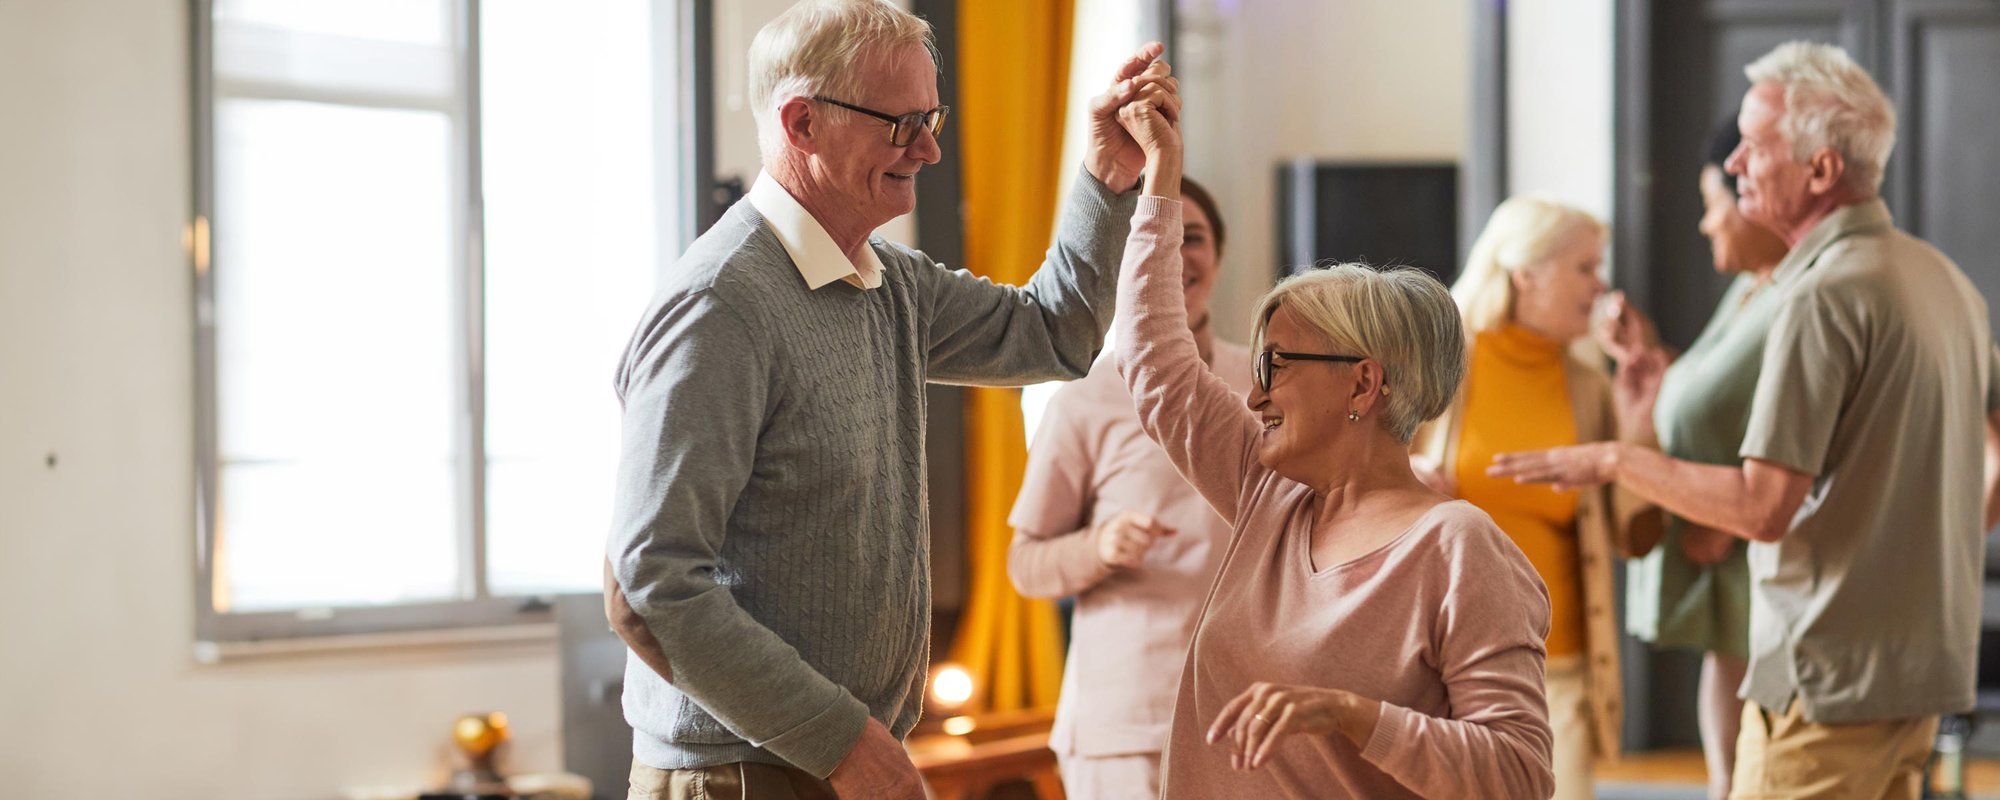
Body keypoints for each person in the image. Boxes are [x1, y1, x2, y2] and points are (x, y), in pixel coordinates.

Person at [599, 2, 1180, 797]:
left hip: (821, 759)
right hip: (742, 775)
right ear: (801, 122)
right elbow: (648, 584)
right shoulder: (720, 306)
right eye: (902, 124)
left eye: (932, 117)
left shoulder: (890, 283)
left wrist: (1106, 176)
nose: (932, 149)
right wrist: (842, 741)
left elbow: (1055, 334)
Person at [1491, 41, 2000, 800]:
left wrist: (1613, 460)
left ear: (1821, 171)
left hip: (1824, 685)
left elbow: (1763, 509)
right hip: (1922, 678)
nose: (1734, 167)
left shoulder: (1816, 296)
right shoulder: (1945, 281)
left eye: (1754, 150)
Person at [1107, 87, 1555, 798]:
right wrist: (1158, 178)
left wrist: (1353, 716)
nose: (1255, 395)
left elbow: (1519, 775)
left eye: (1276, 366)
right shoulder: (1268, 492)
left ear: (1362, 384)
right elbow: (1155, 359)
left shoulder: (1457, 548)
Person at [1006, 177, 1249, 800]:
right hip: (1129, 726)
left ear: (1217, 256)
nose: (1174, 255)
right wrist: (1101, 547)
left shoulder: (1264, 380)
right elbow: (1026, 564)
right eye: (1154, 238)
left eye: (1191, 238)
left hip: (1253, 718)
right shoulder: (1084, 397)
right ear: (1126, 260)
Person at [1411, 195, 1643, 800]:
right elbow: (1349, 481)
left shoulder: (1590, 386)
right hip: (1439, 665)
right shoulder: (1433, 366)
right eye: (1586, 268)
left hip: (1554, 672)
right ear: (1526, 274)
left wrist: (1639, 415)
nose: (1601, 285)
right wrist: (1407, 475)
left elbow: (1635, 535)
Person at [1599, 119, 1792, 800]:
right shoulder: (1747, 292)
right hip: (1725, 547)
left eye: (1714, 203)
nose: (1708, 224)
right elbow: (1711, 393)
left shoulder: (1798, 302)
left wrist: (1733, 516)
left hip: (1758, 541)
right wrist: (1654, 362)